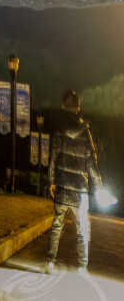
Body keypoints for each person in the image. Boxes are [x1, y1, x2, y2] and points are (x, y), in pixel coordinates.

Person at [47, 89, 101, 274]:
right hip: (80, 190)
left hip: (61, 185)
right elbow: (92, 162)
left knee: (57, 225)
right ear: (78, 108)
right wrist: (98, 186)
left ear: (64, 107)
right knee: (82, 228)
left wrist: (51, 181)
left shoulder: (58, 130)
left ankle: (50, 263)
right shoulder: (86, 132)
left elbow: (52, 157)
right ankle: (82, 266)